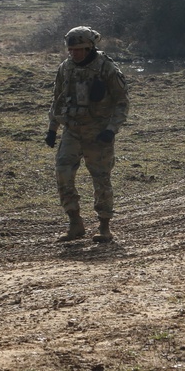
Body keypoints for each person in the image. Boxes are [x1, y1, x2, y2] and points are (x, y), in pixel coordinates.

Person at [44, 26, 129, 243]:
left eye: (79, 50)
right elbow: (58, 99)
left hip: (98, 133)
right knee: (63, 174)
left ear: (90, 47)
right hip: (72, 131)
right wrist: (52, 129)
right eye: (71, 50)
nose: (74, 54)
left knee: (101, 178)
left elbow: (122, 102)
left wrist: (111, 130)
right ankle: (75, 223)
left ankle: (104, 226)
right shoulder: (65, 68)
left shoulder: (106, 68)